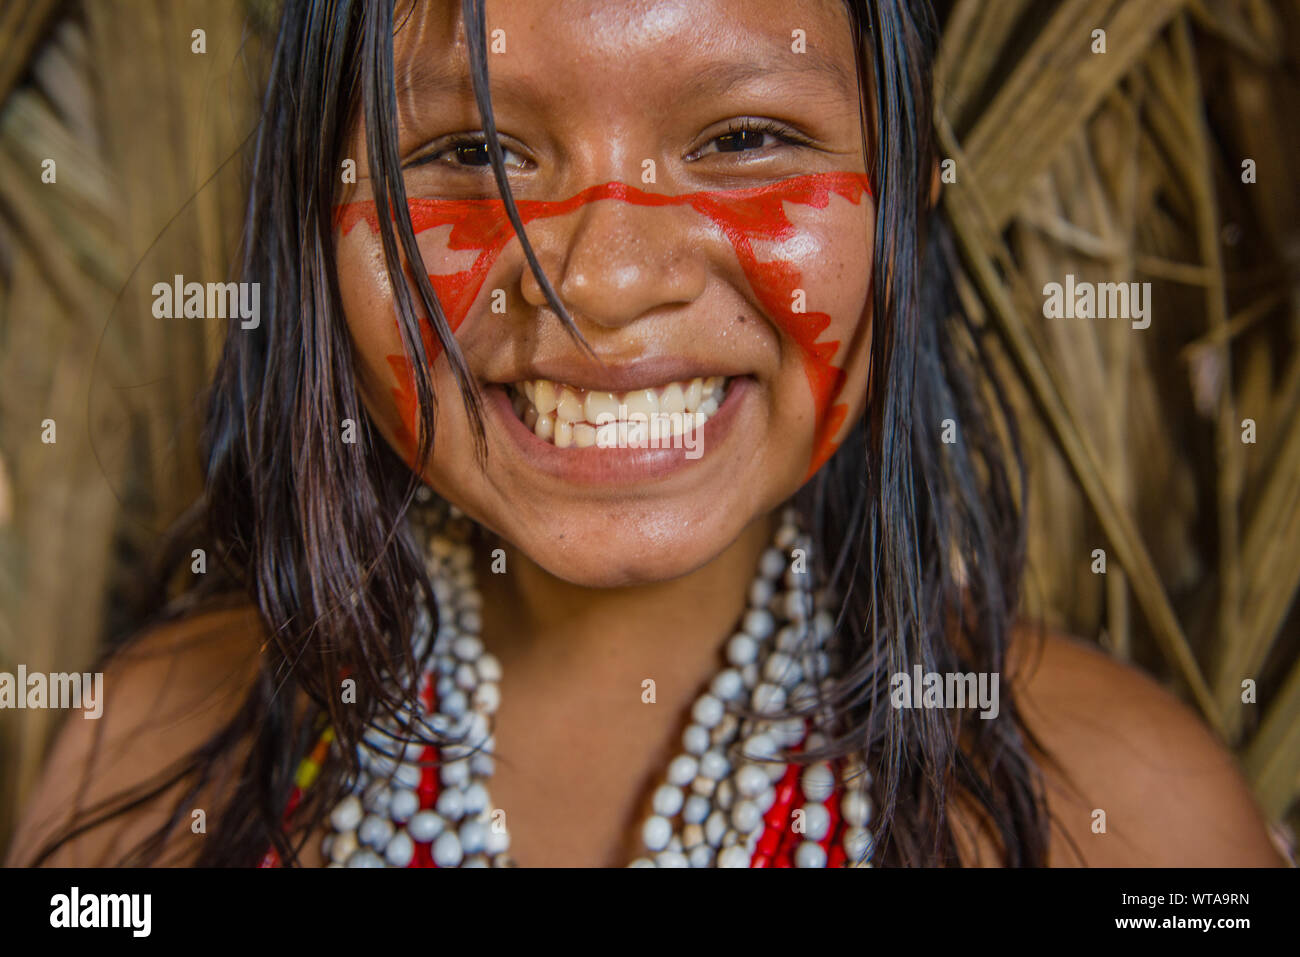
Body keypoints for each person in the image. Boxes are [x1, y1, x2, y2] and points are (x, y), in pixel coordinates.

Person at [8, 0, 1283, 868]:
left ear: (908, 198)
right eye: (467, 151)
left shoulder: (1127, 814)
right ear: (312, 216)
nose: (603, 281)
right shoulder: (152, 759)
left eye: (744, 139)